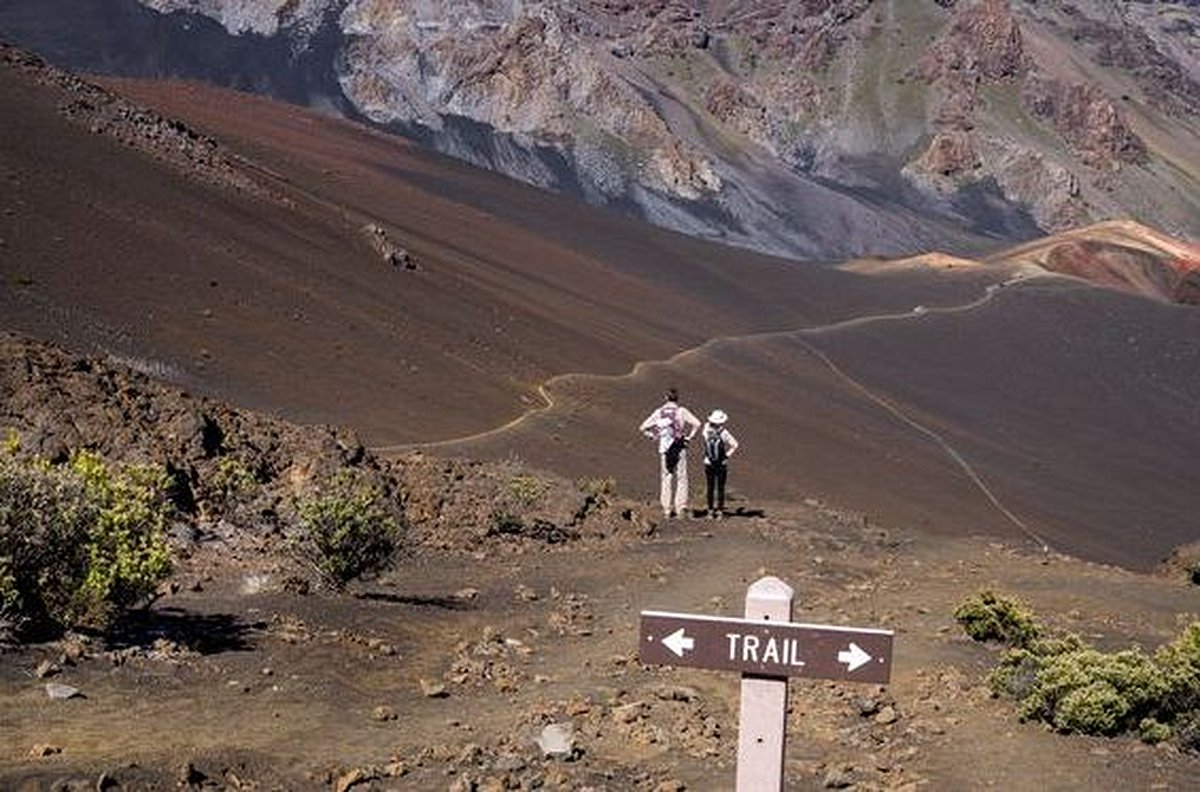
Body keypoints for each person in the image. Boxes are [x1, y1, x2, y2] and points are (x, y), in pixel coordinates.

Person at [638, 387, 701, 519]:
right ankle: (680, 508)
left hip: (665, 449)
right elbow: (697, 423)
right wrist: (689, 437)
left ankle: (667, 509)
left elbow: (643, 427)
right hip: (679, 447)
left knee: (666, 477)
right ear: (677, 399)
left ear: (665, 398)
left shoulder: (658, 412)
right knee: (682, 477)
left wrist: (653, 436)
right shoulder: (682, 411)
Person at [701, 409, 739, 518]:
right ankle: (720, 511)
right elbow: (735, 444)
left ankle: (709, 511)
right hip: (721, 463)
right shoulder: (724, 433)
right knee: (721, 487)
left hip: (708, 462)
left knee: (710, 487)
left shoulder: (707, 430)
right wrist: (727, 455)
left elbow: (704, 433)